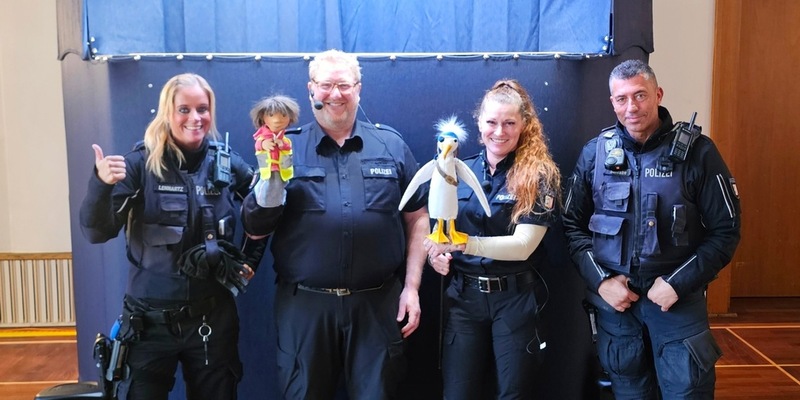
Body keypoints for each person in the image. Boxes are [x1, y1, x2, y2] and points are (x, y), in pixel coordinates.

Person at [241, 49, 429, 399]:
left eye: (344, 85)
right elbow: (255, 227)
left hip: (377, 306)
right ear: (311, 89)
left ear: (359, 89)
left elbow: (418, 218)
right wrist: (271, 176)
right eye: (326, 85)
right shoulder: (285, 148)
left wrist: (412, 287)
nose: (335, 94)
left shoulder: (391, 145)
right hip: (305, 309)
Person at [79, 73, 267, 400]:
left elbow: (264, 212)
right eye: (184, 109)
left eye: (202, 109)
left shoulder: (227, 164)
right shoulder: (139, 165)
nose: (195, 118)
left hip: (212, 318)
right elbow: (96, 232)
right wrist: (100, 184)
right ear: (168, 112)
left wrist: (250, 260)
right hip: (148, 323)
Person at [562, 59, 741, 399]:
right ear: (612, 102)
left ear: (658, 94)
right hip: (617, 306)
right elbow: (571, 226)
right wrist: (602, 281)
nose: (631, 107)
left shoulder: (699, 153)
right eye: (621, 98)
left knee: (688, 392)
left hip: (677, 302)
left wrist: (677, 283)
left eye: (640, 95)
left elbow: (726, 230)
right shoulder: (594, 154)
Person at [424, 79, 561, 399]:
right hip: (464, 299)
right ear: (478, 123)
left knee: (514, 394)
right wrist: (436, 255)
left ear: (523, 124)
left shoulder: (538, 175)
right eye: (491, 122)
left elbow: (524, 245)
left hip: (515, 300)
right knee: (457, 393)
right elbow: (438, 231)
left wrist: (464, 244)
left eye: (509, 123)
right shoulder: (457, 171)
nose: (499, 131)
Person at [250, 95, 300, 206]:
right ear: (263, 117)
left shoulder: (285, 138)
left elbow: (287, 147)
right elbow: (258, 144)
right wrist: (263, 144)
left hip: (283, 169)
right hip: (268, 169)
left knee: (281, 186)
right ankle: (263, 203)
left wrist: (282, 144)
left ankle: (279, 202)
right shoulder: (263, 137)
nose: (277, 120)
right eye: (271, 115)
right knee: (267, 186)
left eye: (283, 115)